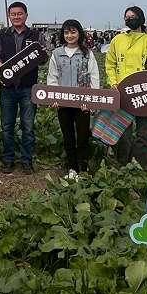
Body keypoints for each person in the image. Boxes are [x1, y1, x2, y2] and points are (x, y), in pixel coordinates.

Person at [0, 1, 48, 174]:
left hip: (28, 87)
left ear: (26, 15)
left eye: (19, 13)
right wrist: (0, 65)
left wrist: (42, 54)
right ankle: (8, 159)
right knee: (7, 125)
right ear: (9, 16)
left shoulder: (36, 35)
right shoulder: (2, 34)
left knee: (28, 126)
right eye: (13, 14)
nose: (16, 17)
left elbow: (44, 59)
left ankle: (26, 160)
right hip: (7, 87)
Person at [104, 6, 147, 171]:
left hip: (144, 93)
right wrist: (113, 83)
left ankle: (143, 167)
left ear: (141, 19)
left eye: (133, 16)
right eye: (126, 17)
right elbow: (110, 64)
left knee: (143, 134)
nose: (129, 19)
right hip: (122, 93)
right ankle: (124, 165)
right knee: (123, 133)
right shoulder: (117, 40)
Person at [46, 19, 100, 179]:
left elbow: (94, 77)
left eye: (73, 32)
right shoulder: (56, 53)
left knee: (83, 135)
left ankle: (83, 167)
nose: (70, 35)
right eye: (67, 32)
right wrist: (53, 97)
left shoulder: (87, 53)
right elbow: (52, 77)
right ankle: (72, 168)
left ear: (79, 33)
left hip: (82, 102)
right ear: (63, 35)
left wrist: (91, 101)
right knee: (67, 135)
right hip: (63, 102)